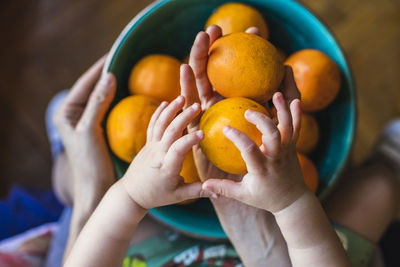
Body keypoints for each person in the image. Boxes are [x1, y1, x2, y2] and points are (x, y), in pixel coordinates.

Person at [44, 26, 399, 267]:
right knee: (378, 190)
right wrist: (290, 202)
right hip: (272, 258)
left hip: (150, 252)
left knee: (69, 127)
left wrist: (131, 196)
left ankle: (66, 149)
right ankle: (391, 157)